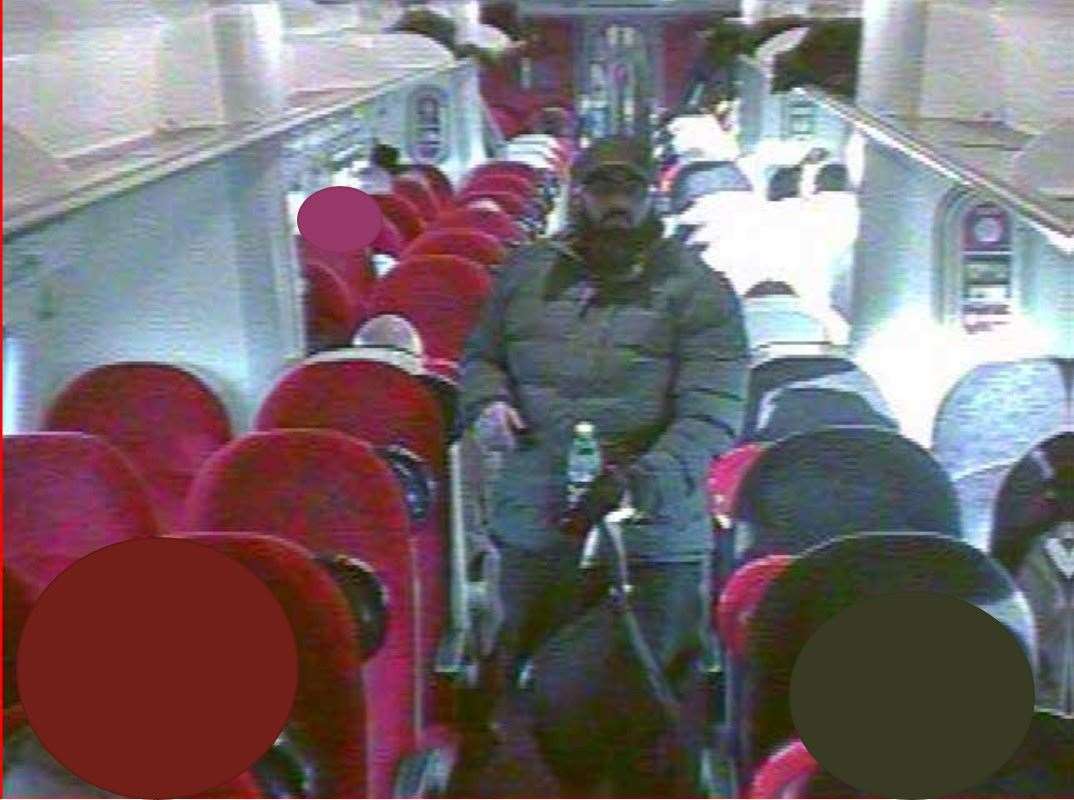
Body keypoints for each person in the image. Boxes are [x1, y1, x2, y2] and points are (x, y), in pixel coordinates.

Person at [457, 135, 749, 795]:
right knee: (541, 693)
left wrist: (635, 482)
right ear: (578, 195)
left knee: (649, 703)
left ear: (652, 196)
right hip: (540, 517)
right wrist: (489, 401)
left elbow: (712, 418)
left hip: (654, 532)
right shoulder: (524, 274)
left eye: (629, 189)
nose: (615, 203)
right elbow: (480, 357)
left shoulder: (700, 291)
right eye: (601, 189)